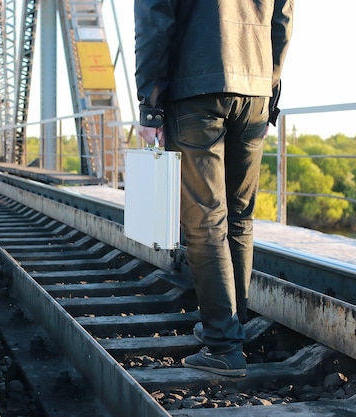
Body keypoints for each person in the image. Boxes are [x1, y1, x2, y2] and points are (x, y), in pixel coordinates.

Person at [134, 0, 294, 377]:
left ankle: (223, 344)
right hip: (254, 90)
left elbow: (155, 19)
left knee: (204, 221)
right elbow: (282, 19)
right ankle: (230, 328)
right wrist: (268, 89)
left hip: (196, 87)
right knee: (238, 217)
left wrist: (150, 104)